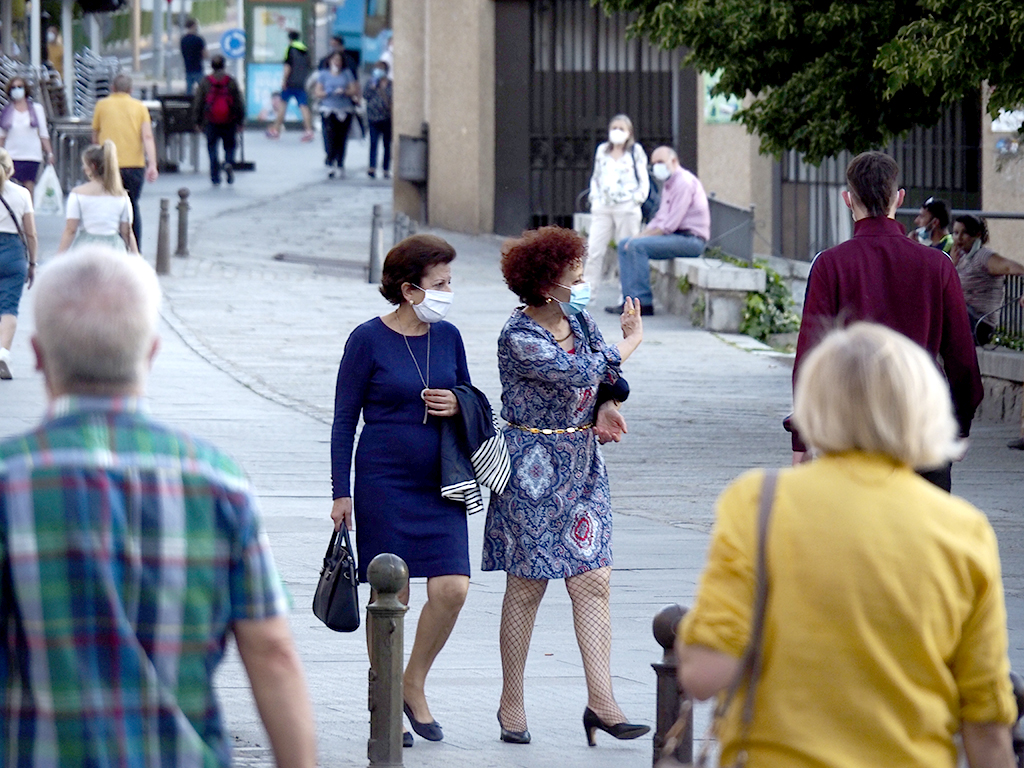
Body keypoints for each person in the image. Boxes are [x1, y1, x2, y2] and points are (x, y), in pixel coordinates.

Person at [0, 246, 317, 766]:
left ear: (37, 354)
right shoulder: (218, 484)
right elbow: (273, 653)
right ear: (151, 351)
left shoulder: (11, 482)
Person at [680, 322, 1016, 768]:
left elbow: (704, 674)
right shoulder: (963, 529)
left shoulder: (758, 503)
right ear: (923, 409)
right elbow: (987, 718)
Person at [482, 226, 648, 747]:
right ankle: (511, 704)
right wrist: (630, 342)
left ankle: (603, 703)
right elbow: (581, 370)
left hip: (581, 462)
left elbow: (601, 382)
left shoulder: (577, 318)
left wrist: (607, 406)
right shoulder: (520, 337)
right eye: (573, 271)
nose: (582, 279)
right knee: (527, 585)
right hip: (530, 468)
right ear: (545, 281)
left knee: (593, 578)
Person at [330, 234, 473, 748]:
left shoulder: (449, 336)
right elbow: (345, 420)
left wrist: (458, 405)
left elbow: (472, 398)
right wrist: (339, 492)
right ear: (410, 290)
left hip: (440, 481)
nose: (448, 291)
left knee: (452, 587)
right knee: (395, 592)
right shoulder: (367, 340)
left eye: (450, 282)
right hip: (383, 480)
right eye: (440, 283)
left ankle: (412, 680)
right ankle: (388, 694)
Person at [792, 151, 982, 492]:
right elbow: (962, 358)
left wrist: (802, 439)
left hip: (851, 427)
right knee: (922, 536)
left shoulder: (830, 265)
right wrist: (960, 423)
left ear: (848, 199)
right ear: (899, 197)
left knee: (856, 536)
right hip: (922, 421)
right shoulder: (937, 265)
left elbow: (809, 356)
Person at [608, 146, 709, 316]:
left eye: (660, 162)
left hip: (691, 240)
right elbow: (659, 217)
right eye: (654, 163)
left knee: (637, 246)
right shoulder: (670, 184)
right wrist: (638, 235)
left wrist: (639, 239)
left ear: (674, 161)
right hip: (677, 236)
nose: (657, 166)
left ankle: (644, 302)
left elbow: (668, 225)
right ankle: (629, 302)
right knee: (625, 244)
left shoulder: (684, 182)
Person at [92, 73, 159, 248]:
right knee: (132, 205)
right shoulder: (139, 107)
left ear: (112, 88)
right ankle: (135, 247)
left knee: (108, 205)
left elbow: (95, 135)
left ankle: (112, 245)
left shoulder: (102, 105)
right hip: (134, 165)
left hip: (108, 164)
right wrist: (152, 164)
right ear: (131, 90)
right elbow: (147, 136)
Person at [584, 114, 648, 287]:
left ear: (629, 132)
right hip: (603, 206)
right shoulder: (602, 150)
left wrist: (637, 199)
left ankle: (626, 295)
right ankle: (587, 295)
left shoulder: (636, 151)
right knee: (594, 251)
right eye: (614, 128)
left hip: (626, 206)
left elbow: (643, 180)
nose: (617, 132)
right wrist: (595, 199)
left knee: (627, 252)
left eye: (621, 129)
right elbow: (596, 177)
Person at [951, 214, 1024, 345]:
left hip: (978, 324)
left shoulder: (983, 256)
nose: (959, 238)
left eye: (965, 233)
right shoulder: (960, 257)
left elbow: (1010, 267)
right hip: (963, 320)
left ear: (977, 235)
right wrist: (951, 265)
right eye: (955, 233)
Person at [57, 142, 137, 254]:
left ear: (92, 167)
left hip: (86, 248)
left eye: (85, 164)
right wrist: (136, 258)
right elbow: (127, 232)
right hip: (114, 249)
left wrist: (59, 257)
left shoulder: (77, 194)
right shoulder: (121, 195)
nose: (83, 168)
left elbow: (71, 230)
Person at [0, 147, 37, 380]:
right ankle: (3, 353)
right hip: (13, 251)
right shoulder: (22, 193)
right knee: (9, 307)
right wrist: (32, 262)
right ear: (10, 167)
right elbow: (31, 234)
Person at [193, 54, 245, 186]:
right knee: (230, 146)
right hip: (229, 120)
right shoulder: (230, 81)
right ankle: (228, 163)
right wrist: (240, 121)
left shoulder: (206, 82)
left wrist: (197, 121)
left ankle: (215, 176)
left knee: (212, 148)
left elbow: (199, 102)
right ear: (224, 65)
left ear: (212, 66)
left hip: (211, 121)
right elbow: (238, 102)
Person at [0, 75, 54, 198]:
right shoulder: (7, 111)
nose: (17, 90)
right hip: (11, 155)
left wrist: (49, 153)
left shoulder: (36, 109)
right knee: (10, 187)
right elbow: (2, 136)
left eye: (20, 87)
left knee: (29, 187)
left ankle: (28, 214)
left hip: (31, 155)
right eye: (13, 87)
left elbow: (43, 133)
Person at [314, 50, 359, 179]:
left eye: (339, 60)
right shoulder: (323, 74)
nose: (337, 63)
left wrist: (344, 91)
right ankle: (331, 161)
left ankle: (340, 163)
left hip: (344, 109)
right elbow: (318, 92)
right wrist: (328, 92)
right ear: (329, 61)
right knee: (330, 137)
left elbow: (353, 89)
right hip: (328, 109)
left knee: (342, 138)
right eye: (334, 60)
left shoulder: (347, 74)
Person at [267, 30, 314, 142]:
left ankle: (276, 130)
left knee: (282, 105)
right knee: (304, 106)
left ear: (290, 39)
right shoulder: (305, 50)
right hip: (302, 82)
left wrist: (284, 80)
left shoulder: (290, 49)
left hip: (290, 82)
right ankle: (308, 131)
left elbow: (288, 66)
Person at [365, 60, 392, 179]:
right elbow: (365, 96)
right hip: (373, 117)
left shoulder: (391, 84)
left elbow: (393, 98)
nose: (378, 71)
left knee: (387, 144)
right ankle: (372, 167)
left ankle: (386, 168)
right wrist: (372, 87)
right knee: (373, 142)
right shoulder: (370, 82)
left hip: (387, 118)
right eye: (377, 68)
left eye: (381, 69)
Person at [180, 17, 207, 96]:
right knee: (203, 90)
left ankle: (189, 106)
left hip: (188, 68)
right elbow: (205, 54)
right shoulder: (199, 39)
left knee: (189, 91)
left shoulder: (183, 40)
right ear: (194, 26)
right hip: (198, 68)